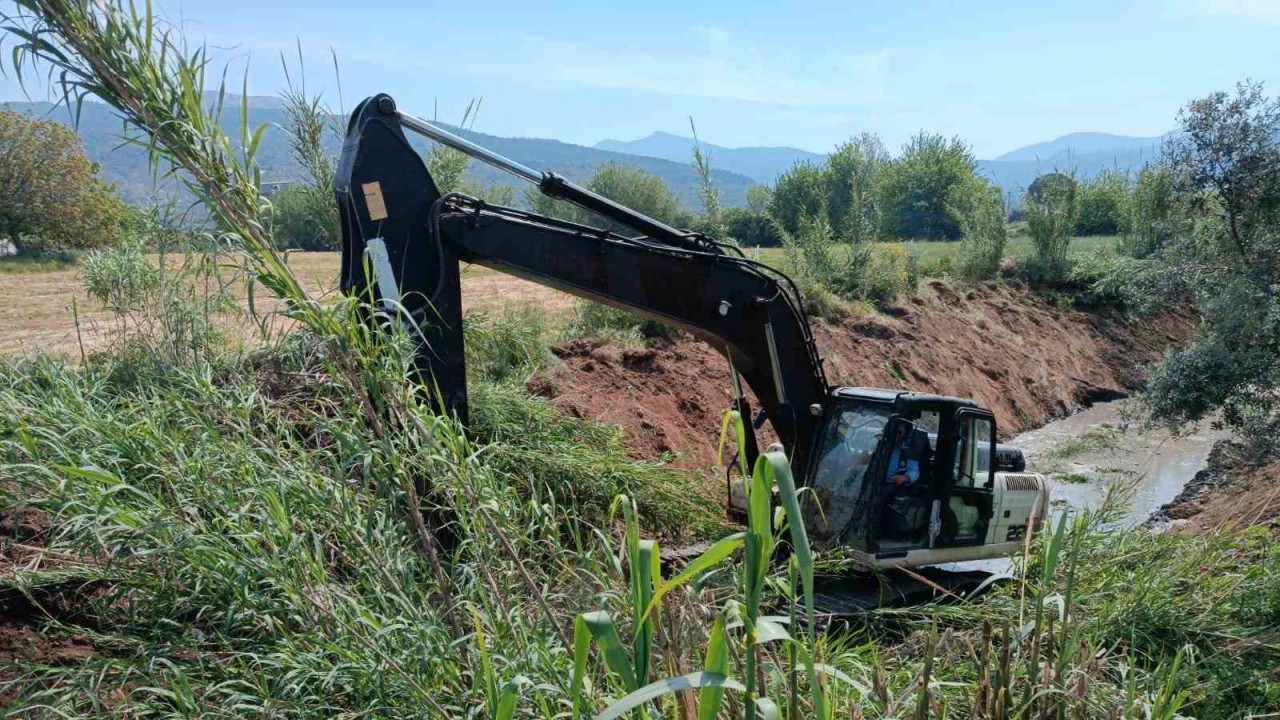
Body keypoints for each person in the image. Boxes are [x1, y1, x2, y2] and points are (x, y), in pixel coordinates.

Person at [884, 422, 929, 492]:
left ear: (905, 434)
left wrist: (905, 477)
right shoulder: (879, 445)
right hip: (873, 482)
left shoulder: (908, 450)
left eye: (899, 432)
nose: (895, 434)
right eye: (893, 430)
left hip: (892, 485)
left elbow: (914, 471)